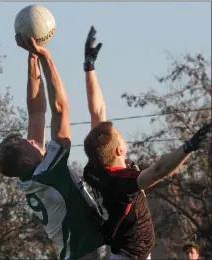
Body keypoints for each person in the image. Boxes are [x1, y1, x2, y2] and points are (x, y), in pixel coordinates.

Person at [82, 27, 211, 260]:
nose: (122, 134)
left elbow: (97, 110)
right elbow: (158, 172)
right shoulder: (120, 183)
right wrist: (188, 147)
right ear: (119, 149)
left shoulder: (96, 165)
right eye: (120, 135)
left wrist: (89, 68)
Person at [0, 34, 105, 260]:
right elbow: (60, 109)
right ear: (27, 160)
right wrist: (46, 57)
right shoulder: (48, 172)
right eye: (29, 143)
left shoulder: (32, 173)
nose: (33, 140)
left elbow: (36, 112)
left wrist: (32, 59)